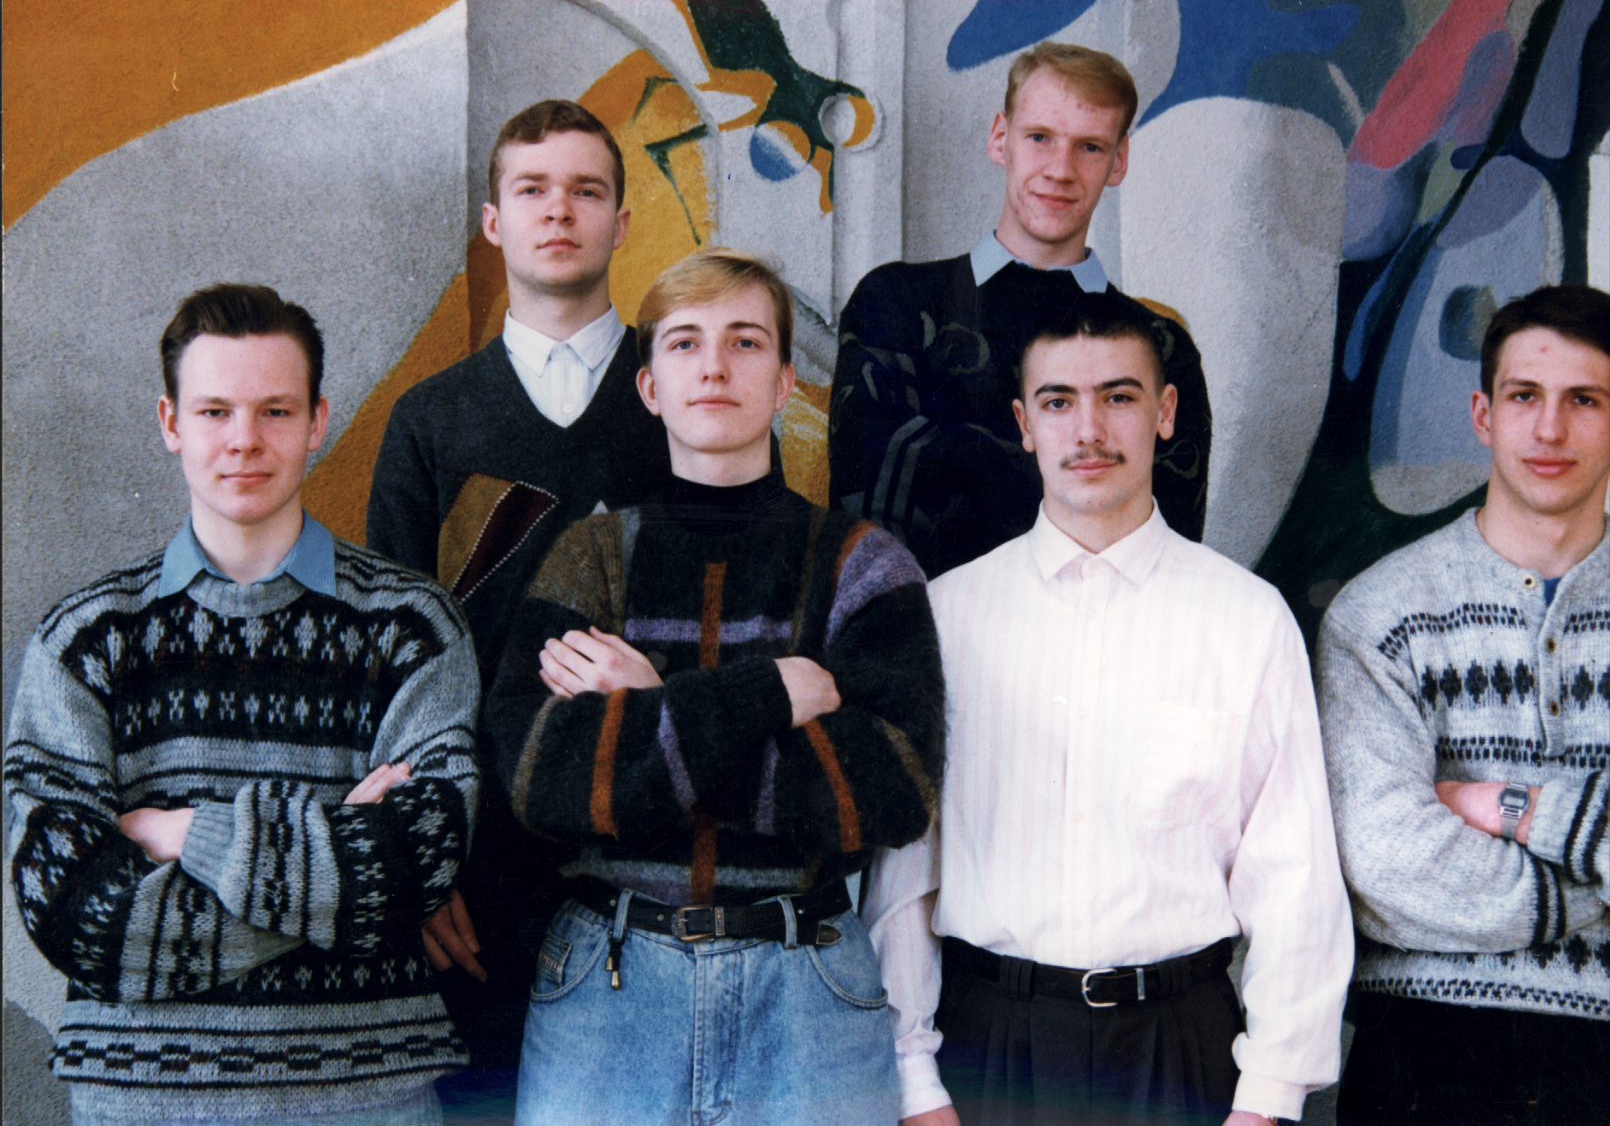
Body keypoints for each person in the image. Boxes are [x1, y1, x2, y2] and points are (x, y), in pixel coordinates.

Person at [866, 293, 1352, 1126]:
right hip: (988, 1048)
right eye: (1059, 402)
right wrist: (914, 1077)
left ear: (1165, 412)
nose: (1088, 430)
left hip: (1182, 1049)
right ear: (1024, 423)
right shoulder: (947, 617)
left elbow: (1294, 876)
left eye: (1118, 396)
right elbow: (906, 876)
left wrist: (1270, 1094)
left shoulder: (1245, 619)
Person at [485, 249, 946, 1124]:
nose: (714, 366)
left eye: (745, 341)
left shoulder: (864, 564)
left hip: (806, 980)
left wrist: (650, 710)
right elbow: (541, 780)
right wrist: (764, 696)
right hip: (610, 983)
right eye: (685, 343)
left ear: (785, 383)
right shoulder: (589, 556)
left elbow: (891, 793)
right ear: (650, 386)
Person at [4, 284, 480, 1125]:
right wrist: (338, 862)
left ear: (317, 421)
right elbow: (75, 913)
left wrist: (184, 833)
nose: (245, 440)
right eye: (215, 411)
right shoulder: (84, 640)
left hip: (364, 1097)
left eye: (275, 411)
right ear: (171, 423)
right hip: (141, 1100)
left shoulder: (412, 627)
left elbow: (418, 861)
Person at [365, 99, 671, 1090]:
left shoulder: (685, 403)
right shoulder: (431, 422)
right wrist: (419, 863)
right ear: (494, 221)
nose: (560, 211)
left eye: (586, 190)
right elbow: (392, 669)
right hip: (476, 873)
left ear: (622, 220)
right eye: (533, 190)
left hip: (651, 861)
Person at [1318, 284, 1610, 1125]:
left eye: (1584, 400)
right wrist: (1592, 875)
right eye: (1524, 396)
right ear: (1483, 416)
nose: (1549, 429)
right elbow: (1386, 865)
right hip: (1426, 1056)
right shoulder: (1381, 615)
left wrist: (1514, 808)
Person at [828, 41, 1211, 578]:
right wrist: (1086, 479)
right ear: (999, 138)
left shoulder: (1161, 345)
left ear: (1119, 160)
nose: (1060, 170)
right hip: (927, 625)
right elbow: (870, 513)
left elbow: (1163, 549)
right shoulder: (896, 301)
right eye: (1039, 138)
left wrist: (965, 458)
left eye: (1090, 147)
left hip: (1105, 626)